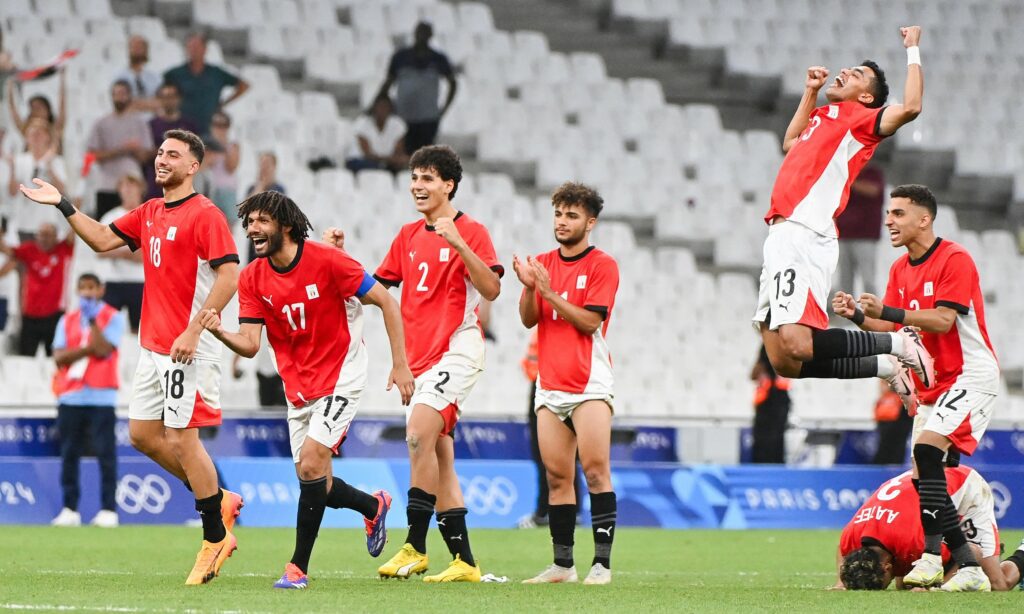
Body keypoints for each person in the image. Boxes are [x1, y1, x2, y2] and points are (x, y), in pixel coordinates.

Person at [18, 129, 244, 586]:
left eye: (173, 155)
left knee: (183, 439)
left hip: (188, 347)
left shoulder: (206, 215)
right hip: (153, 346)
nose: (162, 159)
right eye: (160, 152)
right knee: (142, 435)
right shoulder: (151, 211)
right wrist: (63, 203)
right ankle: (217, 498)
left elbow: (230, 276)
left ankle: (215, 535)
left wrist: (194, 327)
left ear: (193, 166)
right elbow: (102, 240)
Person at [197, 190, 414, 589]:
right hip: (297, 387)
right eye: (249, 222)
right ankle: (373, 504)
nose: (252, 228)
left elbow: (387, 301)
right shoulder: (251, 277)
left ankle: (297, 568)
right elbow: (249, 344)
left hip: (341, 375)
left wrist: (401, 364)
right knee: (314, 480)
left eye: (261, 220)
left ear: (287, 226)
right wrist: (220, 332)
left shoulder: (328, 260)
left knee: (313, 464)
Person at [324, 145, 502, 583]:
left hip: (457, 349)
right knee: (439, 455)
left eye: (427, 179)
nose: (418, 186)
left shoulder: (472, 230)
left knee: (418, 435)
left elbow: (493, 289)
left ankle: (415, 547)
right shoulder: (407, 236)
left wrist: (458, 243)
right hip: (419, 361)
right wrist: (341, 258)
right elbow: (377, 289)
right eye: (415, 178)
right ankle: (464, 561)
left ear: (449, 185)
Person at [833, 184, 1000, 591]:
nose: (888, 220)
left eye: (898, 214)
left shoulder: (954, 258)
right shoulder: (899, 269)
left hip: (970, 374)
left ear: (924, 219)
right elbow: (892, 326)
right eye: (889, 213)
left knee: (926, 453)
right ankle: (970, 567)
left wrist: (887, 310)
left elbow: (943, 320)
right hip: (933, 385)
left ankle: (929, 557)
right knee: (925, 474)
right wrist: (857, 315)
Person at [752, 27, 929, 410]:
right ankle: (884, 365)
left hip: (805, 235)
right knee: (784, 362)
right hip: (780, 236)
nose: (844, 72)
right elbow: (789, 144)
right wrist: (810, 91)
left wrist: (912, 49)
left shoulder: (860, 120)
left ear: (866, 96)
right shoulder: (823, 115)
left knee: (799, 343)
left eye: (856, 74)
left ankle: (900, 343)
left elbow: (911, 107)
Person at [513, 182, 619, 586]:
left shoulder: (602, 265)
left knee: (595, 473)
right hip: (550, 384)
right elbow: (528, 319)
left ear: (590, 223)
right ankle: (562, 565)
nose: (562, 221)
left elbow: (591, 321)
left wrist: (548, 292)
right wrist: (528, 288)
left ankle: (602, 566)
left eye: (571, 215)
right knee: (558, 478)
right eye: (558, 213)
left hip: (589, 382)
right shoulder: (542, 262)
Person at [834, 465, 1024, 591]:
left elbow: (972, 553)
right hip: (926, 492)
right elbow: (842, 551)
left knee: (999, 584)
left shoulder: (914, 540)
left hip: (965, 488)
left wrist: (938, 589)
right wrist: (841, 581)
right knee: (909, 583)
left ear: (887, 567)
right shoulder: (851, 537)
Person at [49, 273, 126, 528]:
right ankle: (70, 508)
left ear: (101, 290)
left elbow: (104, 349)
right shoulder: (67, 319)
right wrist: (86, 349)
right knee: (69, 454)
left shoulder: (112, 317)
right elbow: (59, 358)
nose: (87, 294)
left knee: (106, 454)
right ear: (77, 291)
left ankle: (108, 510)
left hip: (102, 397)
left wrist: (92, 321)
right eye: (83, 289)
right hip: (71, 396)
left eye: (91, 288)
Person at [375, 22, 457, 155]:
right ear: (414, 33)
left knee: (423, 157)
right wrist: (377, 103)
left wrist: (444, 108)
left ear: (430, 36)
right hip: (403, 117)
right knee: (402, 154)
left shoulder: (438, 59)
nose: (422, 36)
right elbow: (388, 83)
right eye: (419, 32)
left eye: (425, 33)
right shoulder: (401, 57)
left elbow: (453, 83)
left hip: (428, 118)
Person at [0, 223, 74, 356]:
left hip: (55, 315)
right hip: (30, 315)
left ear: (56, 237)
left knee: (56, 359)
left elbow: (74, 231)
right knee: (25, 360)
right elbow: (7, 250)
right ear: (36, 236)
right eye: (41, 235)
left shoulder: (63, 249)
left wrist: (74, 209)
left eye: (48, 235)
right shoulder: (29, 249)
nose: (44, 239)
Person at [85, 80, 154, 220]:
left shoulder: (140, 122)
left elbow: (146, 156)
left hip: (133, 186)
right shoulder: (101, 123)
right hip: (107, 185)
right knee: (107, 225)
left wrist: (135, 150)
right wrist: (122, 149)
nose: (119, 97)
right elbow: (92, 155)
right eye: (116, 94)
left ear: (129, 96)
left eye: (123, 93)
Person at [163, 31, 249, 137]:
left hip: (209, 128)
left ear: (205, 49)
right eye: (191, 47)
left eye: (197, 47)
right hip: (183, 128)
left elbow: (243, 85)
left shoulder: (216, 73)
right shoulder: (175, 74)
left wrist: (224, 103)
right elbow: (162, 94)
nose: (194, 50)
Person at [97, 173, 146, 334]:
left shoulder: (147, 215)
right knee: (106, 327)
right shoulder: (111, 217)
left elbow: (147, 254)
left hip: (140, 281)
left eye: (132, 185)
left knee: (139, 330)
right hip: (114, 280)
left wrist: (118, 251)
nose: (128, 190)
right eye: (124, 186)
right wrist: (129, 252)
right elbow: (100, 249)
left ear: (140, 189)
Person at [6, 117, 66, 239]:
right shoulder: (19, 160)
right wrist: (12, 169)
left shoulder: (56, 161)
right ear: (27, 138)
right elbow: (12, 192)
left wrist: (49, 167)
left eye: (40, 134)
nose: (36, 138)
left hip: (48, 223)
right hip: (25, 222)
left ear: (47, 137)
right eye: (32, 134)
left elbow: (62, 190)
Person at [835, 163, 886, 296]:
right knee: (845, 280)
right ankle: (846, 314)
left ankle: (874, 313)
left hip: (865, 236)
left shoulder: (873, 174)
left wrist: (849, 181)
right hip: (844, 234)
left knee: (868, 278)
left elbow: (873, 190)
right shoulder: (845, 174)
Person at [145, 82, 199, 199]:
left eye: (172, 96)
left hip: (181, 182)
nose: (168, 100)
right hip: (156, 183)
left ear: (179, 99)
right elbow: (145, 154)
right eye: (165, 97)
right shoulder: (150, 125)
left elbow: (196, 153)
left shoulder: (189, 125)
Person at [345, 94, 408, 174]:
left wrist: (396, 160)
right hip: (359, 161)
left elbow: (398, 153)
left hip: (383, 162)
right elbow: (367, 154)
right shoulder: (362, 123)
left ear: (390, 109)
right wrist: (390, 160)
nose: (382, 110)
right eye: (380, 107)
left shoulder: (398, 124)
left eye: (386, 107)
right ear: (374, 108)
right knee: (375, 167)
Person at [750, 344, 791, 464]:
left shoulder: (782, 350)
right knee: (766, 438)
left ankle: (772, 464)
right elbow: (753, 375)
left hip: (777, 401)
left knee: (775, 437)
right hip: (767, 402)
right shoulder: (767, 348)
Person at [6, 69, 65, 151]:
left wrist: (62, 79)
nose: (36, 111)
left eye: (39, 107)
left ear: (48, 109)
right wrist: (10, 86)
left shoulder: (54, 129)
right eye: (33, 108)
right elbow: (13, 111)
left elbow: (62, 107)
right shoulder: (26, 128)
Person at [203, 111, 240, 224]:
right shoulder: (206, 145)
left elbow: (231, 167)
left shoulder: (232, 145)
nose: (220, 129)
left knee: (228, 226)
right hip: (210, 188)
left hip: (227, 189)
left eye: (224, 125)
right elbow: (204, 165)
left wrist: (223, 146)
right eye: (217, 125)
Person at [112, 36, 161, 112]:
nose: (137, 50)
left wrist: (135, 102)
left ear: (146, 50)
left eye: (140, 47)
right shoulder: (119, 76)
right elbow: (122, 104)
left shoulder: (155, 77)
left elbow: (160, 103)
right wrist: (149, 103)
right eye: (134, 47)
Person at [871, 381, 912, 465]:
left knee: (894, 449)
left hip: (898, 424)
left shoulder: (899, 397)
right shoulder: (886, 398)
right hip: (890, 425)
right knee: (886, 448)